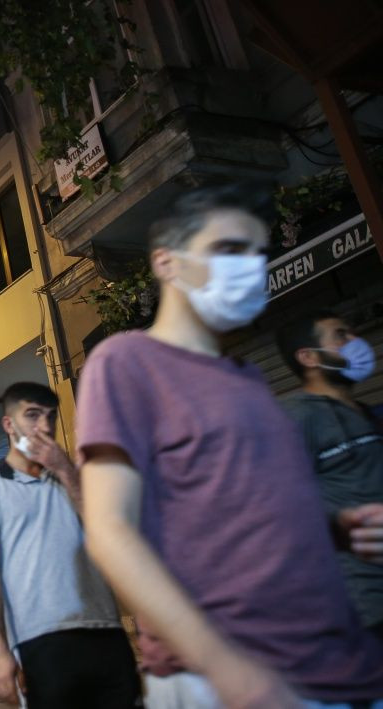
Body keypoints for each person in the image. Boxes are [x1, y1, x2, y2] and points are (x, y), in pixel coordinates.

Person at [76, 184, 383, 708]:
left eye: (256, 252)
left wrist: (336, 528)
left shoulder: (248, 379)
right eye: (228, 249)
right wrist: (227, 668)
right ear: (167, 262)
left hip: (338, 666)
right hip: (235, 679)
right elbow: (110, 531)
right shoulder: (125, 362)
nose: (249, 267)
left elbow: (239, 513)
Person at [0, 383, 138, 708]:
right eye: (32, 415)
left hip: (105, 630)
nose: (44, 426)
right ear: (8, 424)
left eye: (50, 416)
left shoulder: (74, 477)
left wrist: (64, 469)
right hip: (40, 639)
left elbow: (108, 533)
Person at [278, 311, 383, 641]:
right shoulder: (296, 418)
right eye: (340, 336)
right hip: (363, 602)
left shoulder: (364, 413)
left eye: (352, 333)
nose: (355, 341)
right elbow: (280, 509)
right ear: (309, 357)